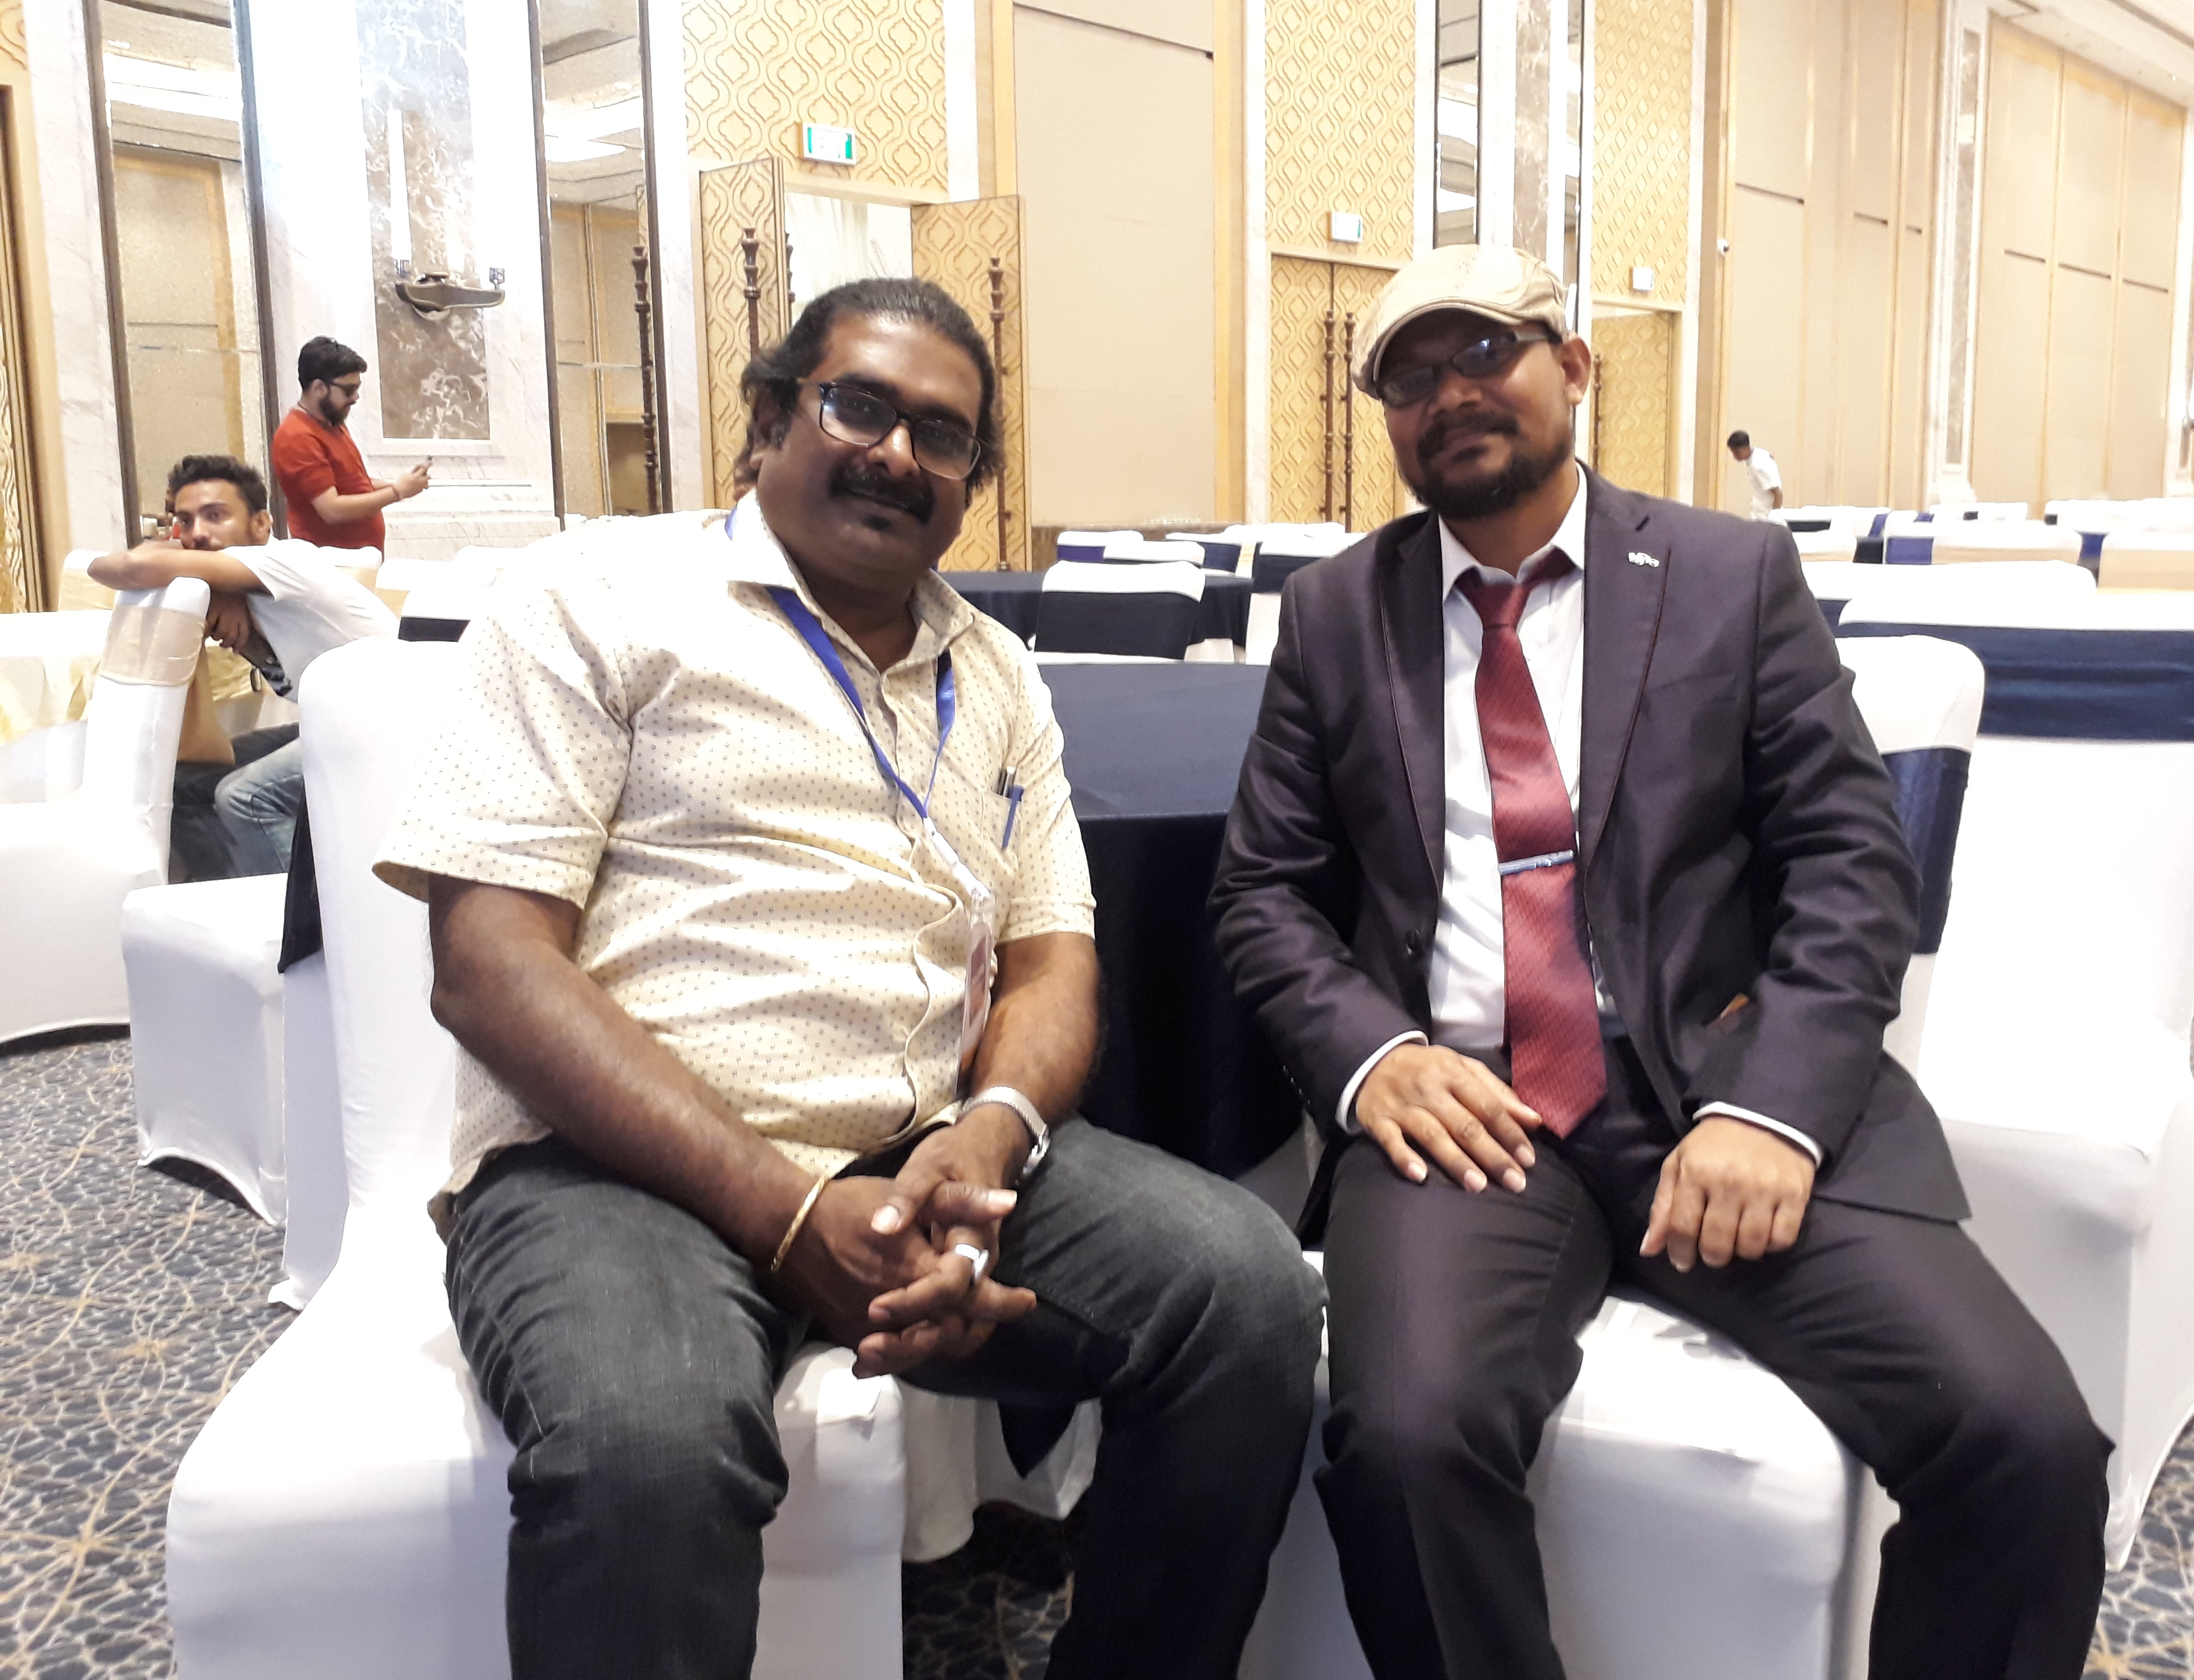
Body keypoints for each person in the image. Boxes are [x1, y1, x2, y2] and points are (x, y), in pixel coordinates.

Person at [373, 276, 1322, 1680]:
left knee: (1245, 1298)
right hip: (617, 1169)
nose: (895, 453)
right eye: (858, 406)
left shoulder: (996, 674)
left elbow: (1056, 959)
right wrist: (789, 1211)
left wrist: (985, 1136)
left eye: (941, 435)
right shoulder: (598, 594)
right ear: (769, 417)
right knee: (648, 1447)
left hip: (922, 1158)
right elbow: (488, 966)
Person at [1211, 243, 2108, 1680]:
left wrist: (1771, 1109)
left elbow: (1850, 861)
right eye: (1409, 377)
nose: (1449, 395)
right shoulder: (1335, 615)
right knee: (1407, 1441)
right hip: (1473, 1116)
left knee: (2021, 1439)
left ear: (1574, 367)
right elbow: (1262, 894)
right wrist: (1375, 1059)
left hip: (1721, 1086)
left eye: (1484, 352)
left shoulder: (1727, 575)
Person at [88, 454, 397, 876]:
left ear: (262, 525)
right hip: (334, 722)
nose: (198, 534)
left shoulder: (288, 562)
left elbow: (135, 565)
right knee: (186, 781)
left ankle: (290, 914)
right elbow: (102, 567)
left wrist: (214, 579)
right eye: (185, 521)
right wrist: (219, 586)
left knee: (246, 797)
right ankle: (229, 889)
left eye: (216, 516)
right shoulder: (242, 578)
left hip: (391, 723)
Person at [270, 336, 430, 551]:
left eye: (357, 388)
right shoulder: (297, 436)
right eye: (348, 390)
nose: (355, 397)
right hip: (332, 562)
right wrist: (397, 492)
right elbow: (332, 510)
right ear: (319, 388)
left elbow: (352, 484)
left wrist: (403, 483)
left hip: (357, 558)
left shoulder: (332, 422)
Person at [1727, 427, 1783, 517]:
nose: (1735, 456)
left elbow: (1778, 494)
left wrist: (1774, 517)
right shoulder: (1759, 453)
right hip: (1759, 510)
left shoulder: (1758, 465)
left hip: (1765, 514)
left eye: (1737, 452)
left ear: (1746, 448)